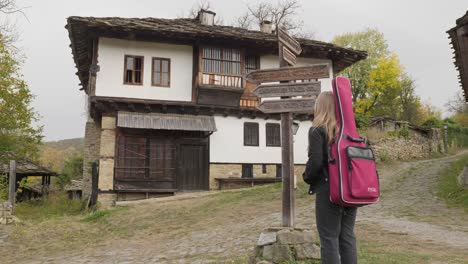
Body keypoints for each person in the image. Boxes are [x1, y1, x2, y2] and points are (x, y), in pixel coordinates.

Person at [303, 91, 358, 264]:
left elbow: (316, 162)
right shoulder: (348, 132)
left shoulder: (317, 130)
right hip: (350, 190)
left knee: (329, 237)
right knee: (347, 236)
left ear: (320, 107)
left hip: (329, 190)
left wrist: (307, 177)